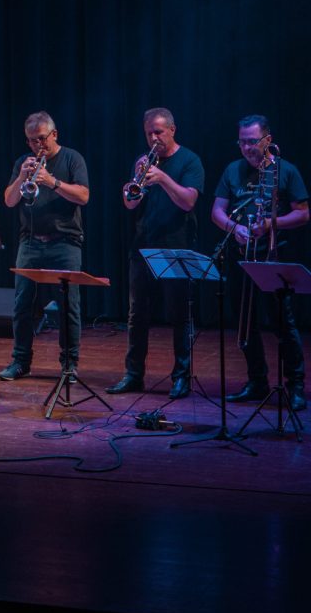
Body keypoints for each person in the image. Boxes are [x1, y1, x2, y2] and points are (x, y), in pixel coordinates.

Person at [211, 115, 308, 411]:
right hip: (243, 257)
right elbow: (217, 211)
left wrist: (270, 223)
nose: (246, 147)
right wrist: (233, 228)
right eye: (241, 141)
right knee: (246, 324)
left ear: (267, 139)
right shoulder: (233, 170)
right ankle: (257, 382)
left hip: (273, 257)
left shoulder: (285, 170)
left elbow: (303, 213)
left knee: (283, 324)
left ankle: (295, 386)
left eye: (252, 141)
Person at [107, 108, 204, 400]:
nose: (153, 138)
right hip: (143, 247)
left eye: (159, 132)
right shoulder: (144, 162)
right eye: (149, 132)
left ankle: (181, 378)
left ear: (172, 130)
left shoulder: (189, 161)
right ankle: (133, 375)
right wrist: (132, 185)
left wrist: (162, 178)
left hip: (177, 246)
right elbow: (130, 204)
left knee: (179, 316)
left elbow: (188, 202)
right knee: (137, 315)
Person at [0, 112, 90, 381]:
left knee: (68, 306)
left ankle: (69, 363)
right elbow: (9, 201)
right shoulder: (22, 163)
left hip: (66, 242)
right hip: (30, 243)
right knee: (22, 305)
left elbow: (84, 196)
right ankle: (20, 361)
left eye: (42, 139)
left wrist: (53, 182)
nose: (38, 145)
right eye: (31, 140)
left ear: (54, 135)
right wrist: (21, 178)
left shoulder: (72, 159)